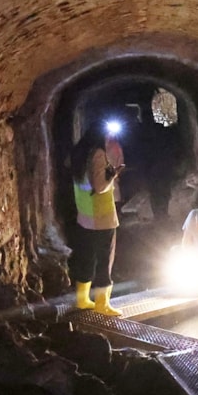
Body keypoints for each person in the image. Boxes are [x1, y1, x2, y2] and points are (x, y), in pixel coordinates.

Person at [69, 128, 123, 315]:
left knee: (86, 258)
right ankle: (102, 304)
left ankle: (82, 299)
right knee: (104, 260)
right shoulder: (98, 154)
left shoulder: (78, 153)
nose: (108, 137)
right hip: (102, 217)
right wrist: (113, 175)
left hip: (84, 215)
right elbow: (100, 186)